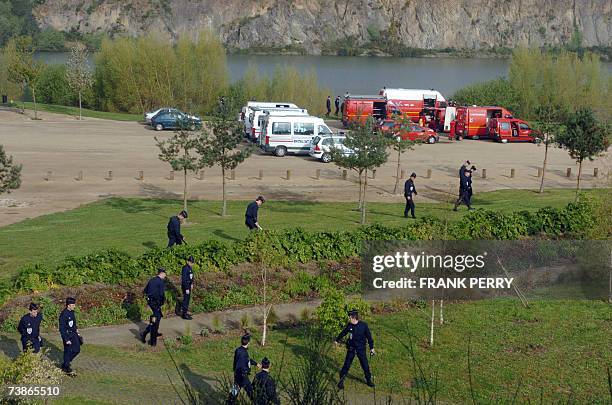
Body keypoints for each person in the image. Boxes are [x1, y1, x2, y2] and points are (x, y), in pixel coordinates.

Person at [335, 309, 375, 389]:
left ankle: (368, 380)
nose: (349, 319)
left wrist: (371, 348)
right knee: (346, 365)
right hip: (351, 349)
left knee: (365, 365)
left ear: (354, 318)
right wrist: (337, 340)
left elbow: (369, 337)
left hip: (361, 349)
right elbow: (343, 333)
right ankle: (341, 382)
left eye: (350, 318)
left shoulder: (363, 325)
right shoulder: (349, 326)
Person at [228, 334, 260, 404]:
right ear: (248, 342)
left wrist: (256, 363)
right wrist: (244, 374)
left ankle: (229, 402)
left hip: (237, 375)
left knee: (234, 393)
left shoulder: (238, 350)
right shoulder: (243, 353)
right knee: (251, 392)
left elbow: (246, 360)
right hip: (242, 376)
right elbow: (243, 363)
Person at [140, 268, 166, 346]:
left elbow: (145, 291)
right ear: (161, 273)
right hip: (156, 303)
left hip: (151, 302)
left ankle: (155, 331)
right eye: (165, 274)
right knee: (155, 319)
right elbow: (161, 295)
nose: (165, 275)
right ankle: (145, 333)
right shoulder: (160, 282)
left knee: (158, 316)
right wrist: (161, 303)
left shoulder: (152, 280)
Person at [59, 297, 82, 375]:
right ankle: (66, 367)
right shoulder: (63, 314)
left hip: (73, 334)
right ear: (68, 305)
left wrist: (77, 331)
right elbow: (62, 329)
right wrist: (66, 339)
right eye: (73, 305)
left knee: (77, 349)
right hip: (67, 335)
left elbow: (74, 323)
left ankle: (66, 362)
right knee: (67, 351)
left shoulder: (72, 312)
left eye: (74, 305)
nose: (74, 306)